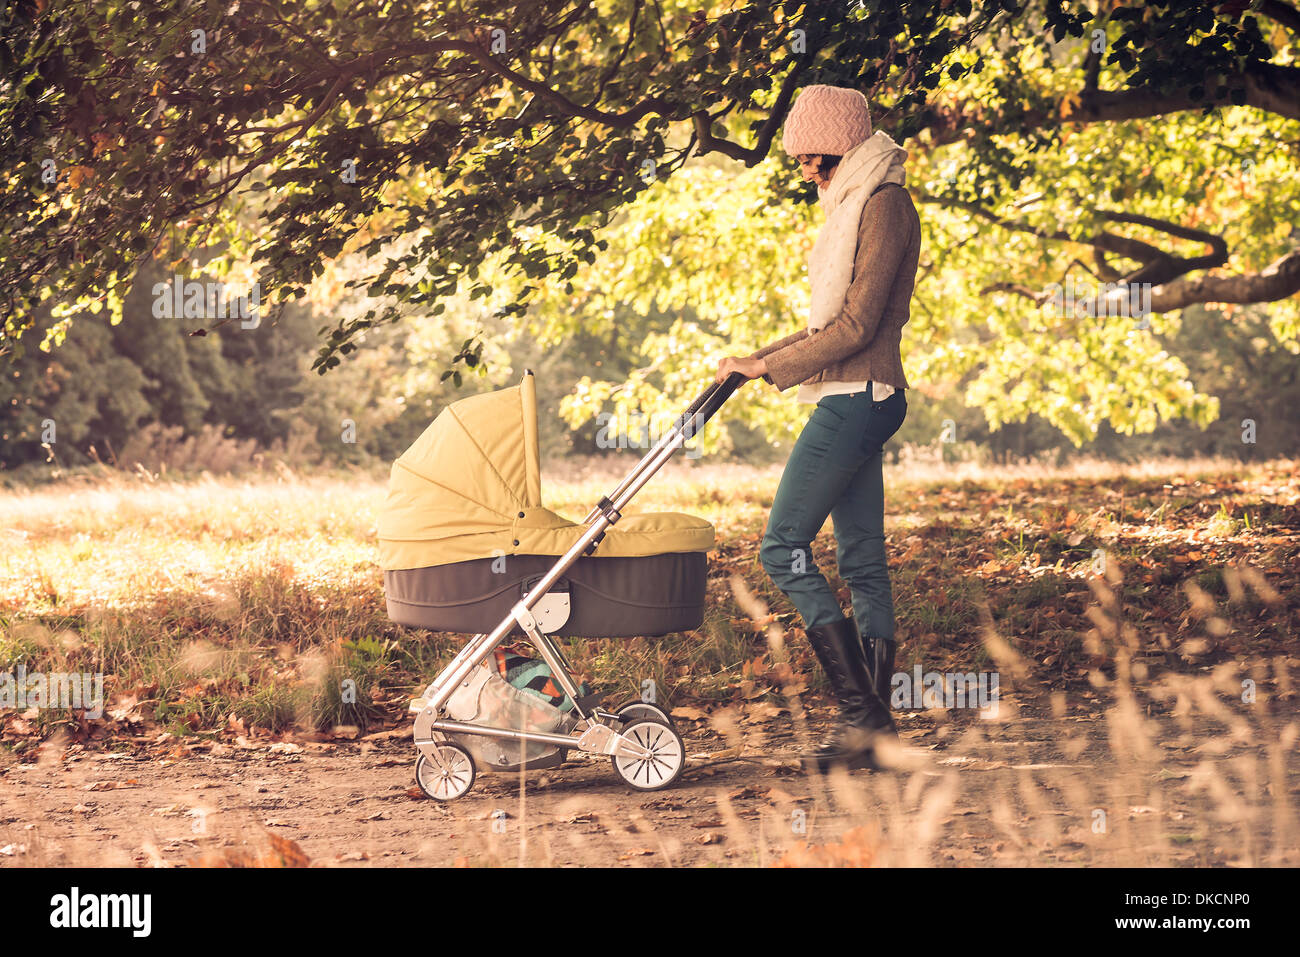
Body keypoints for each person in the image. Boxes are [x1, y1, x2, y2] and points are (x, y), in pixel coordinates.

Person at [714, 84, 921, 773]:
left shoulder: (885, 205)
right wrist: (756, 361)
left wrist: (768, 369)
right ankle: (875, 734)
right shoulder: (855, 200)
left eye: (816, 157)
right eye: (801, 159)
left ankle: (864, 716)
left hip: (858, 395)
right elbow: (821, 328)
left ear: (847, 146)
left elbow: (857, 326)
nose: (808, 170)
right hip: (855, 392)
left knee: (782, 548)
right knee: (862, 561)